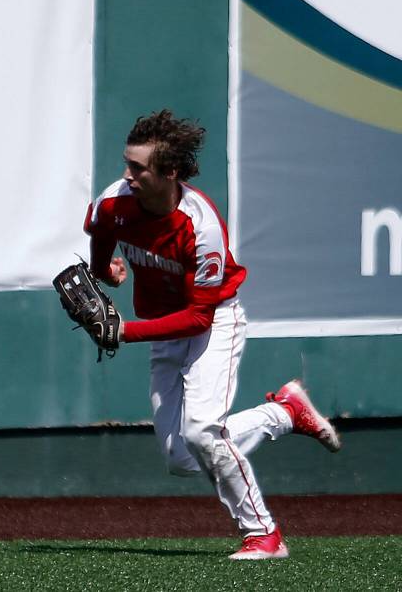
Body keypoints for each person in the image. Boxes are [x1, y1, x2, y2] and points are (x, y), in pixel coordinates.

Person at [84, 109, 340, 560]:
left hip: (213, 323)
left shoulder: (200, 226)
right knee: (182, 458)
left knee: (202, 432)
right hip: (163, 328)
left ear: (170, 172)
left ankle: (264, 534)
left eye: (138, 168)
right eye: (127, 163)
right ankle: (283, 414)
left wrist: (125, 332)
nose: (128, 175)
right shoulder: (113, 202)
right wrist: (106, 269)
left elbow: (199, 318)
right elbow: (102, 238)